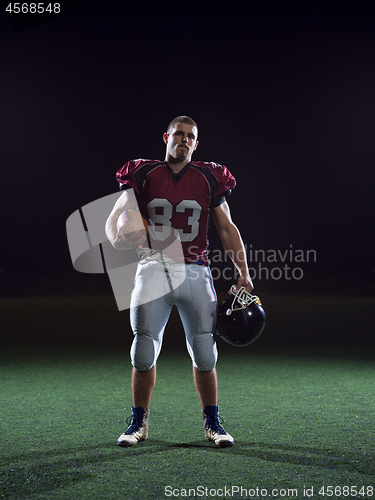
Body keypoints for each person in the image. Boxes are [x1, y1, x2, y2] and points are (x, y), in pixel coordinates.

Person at [105, 116, 253, 448]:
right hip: (153, 268)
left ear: (196, 143)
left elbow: (227, 228)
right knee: (143, 351)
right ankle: (137, 423)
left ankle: (213, 423)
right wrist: (118, 234)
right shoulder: (143, 173)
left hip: (195, 271)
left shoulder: (208, 176)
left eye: (191, 136)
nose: (184, 140)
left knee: (204, 352)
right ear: (166, 137)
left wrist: (243, 271)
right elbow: (117, 216)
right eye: (179, 134)